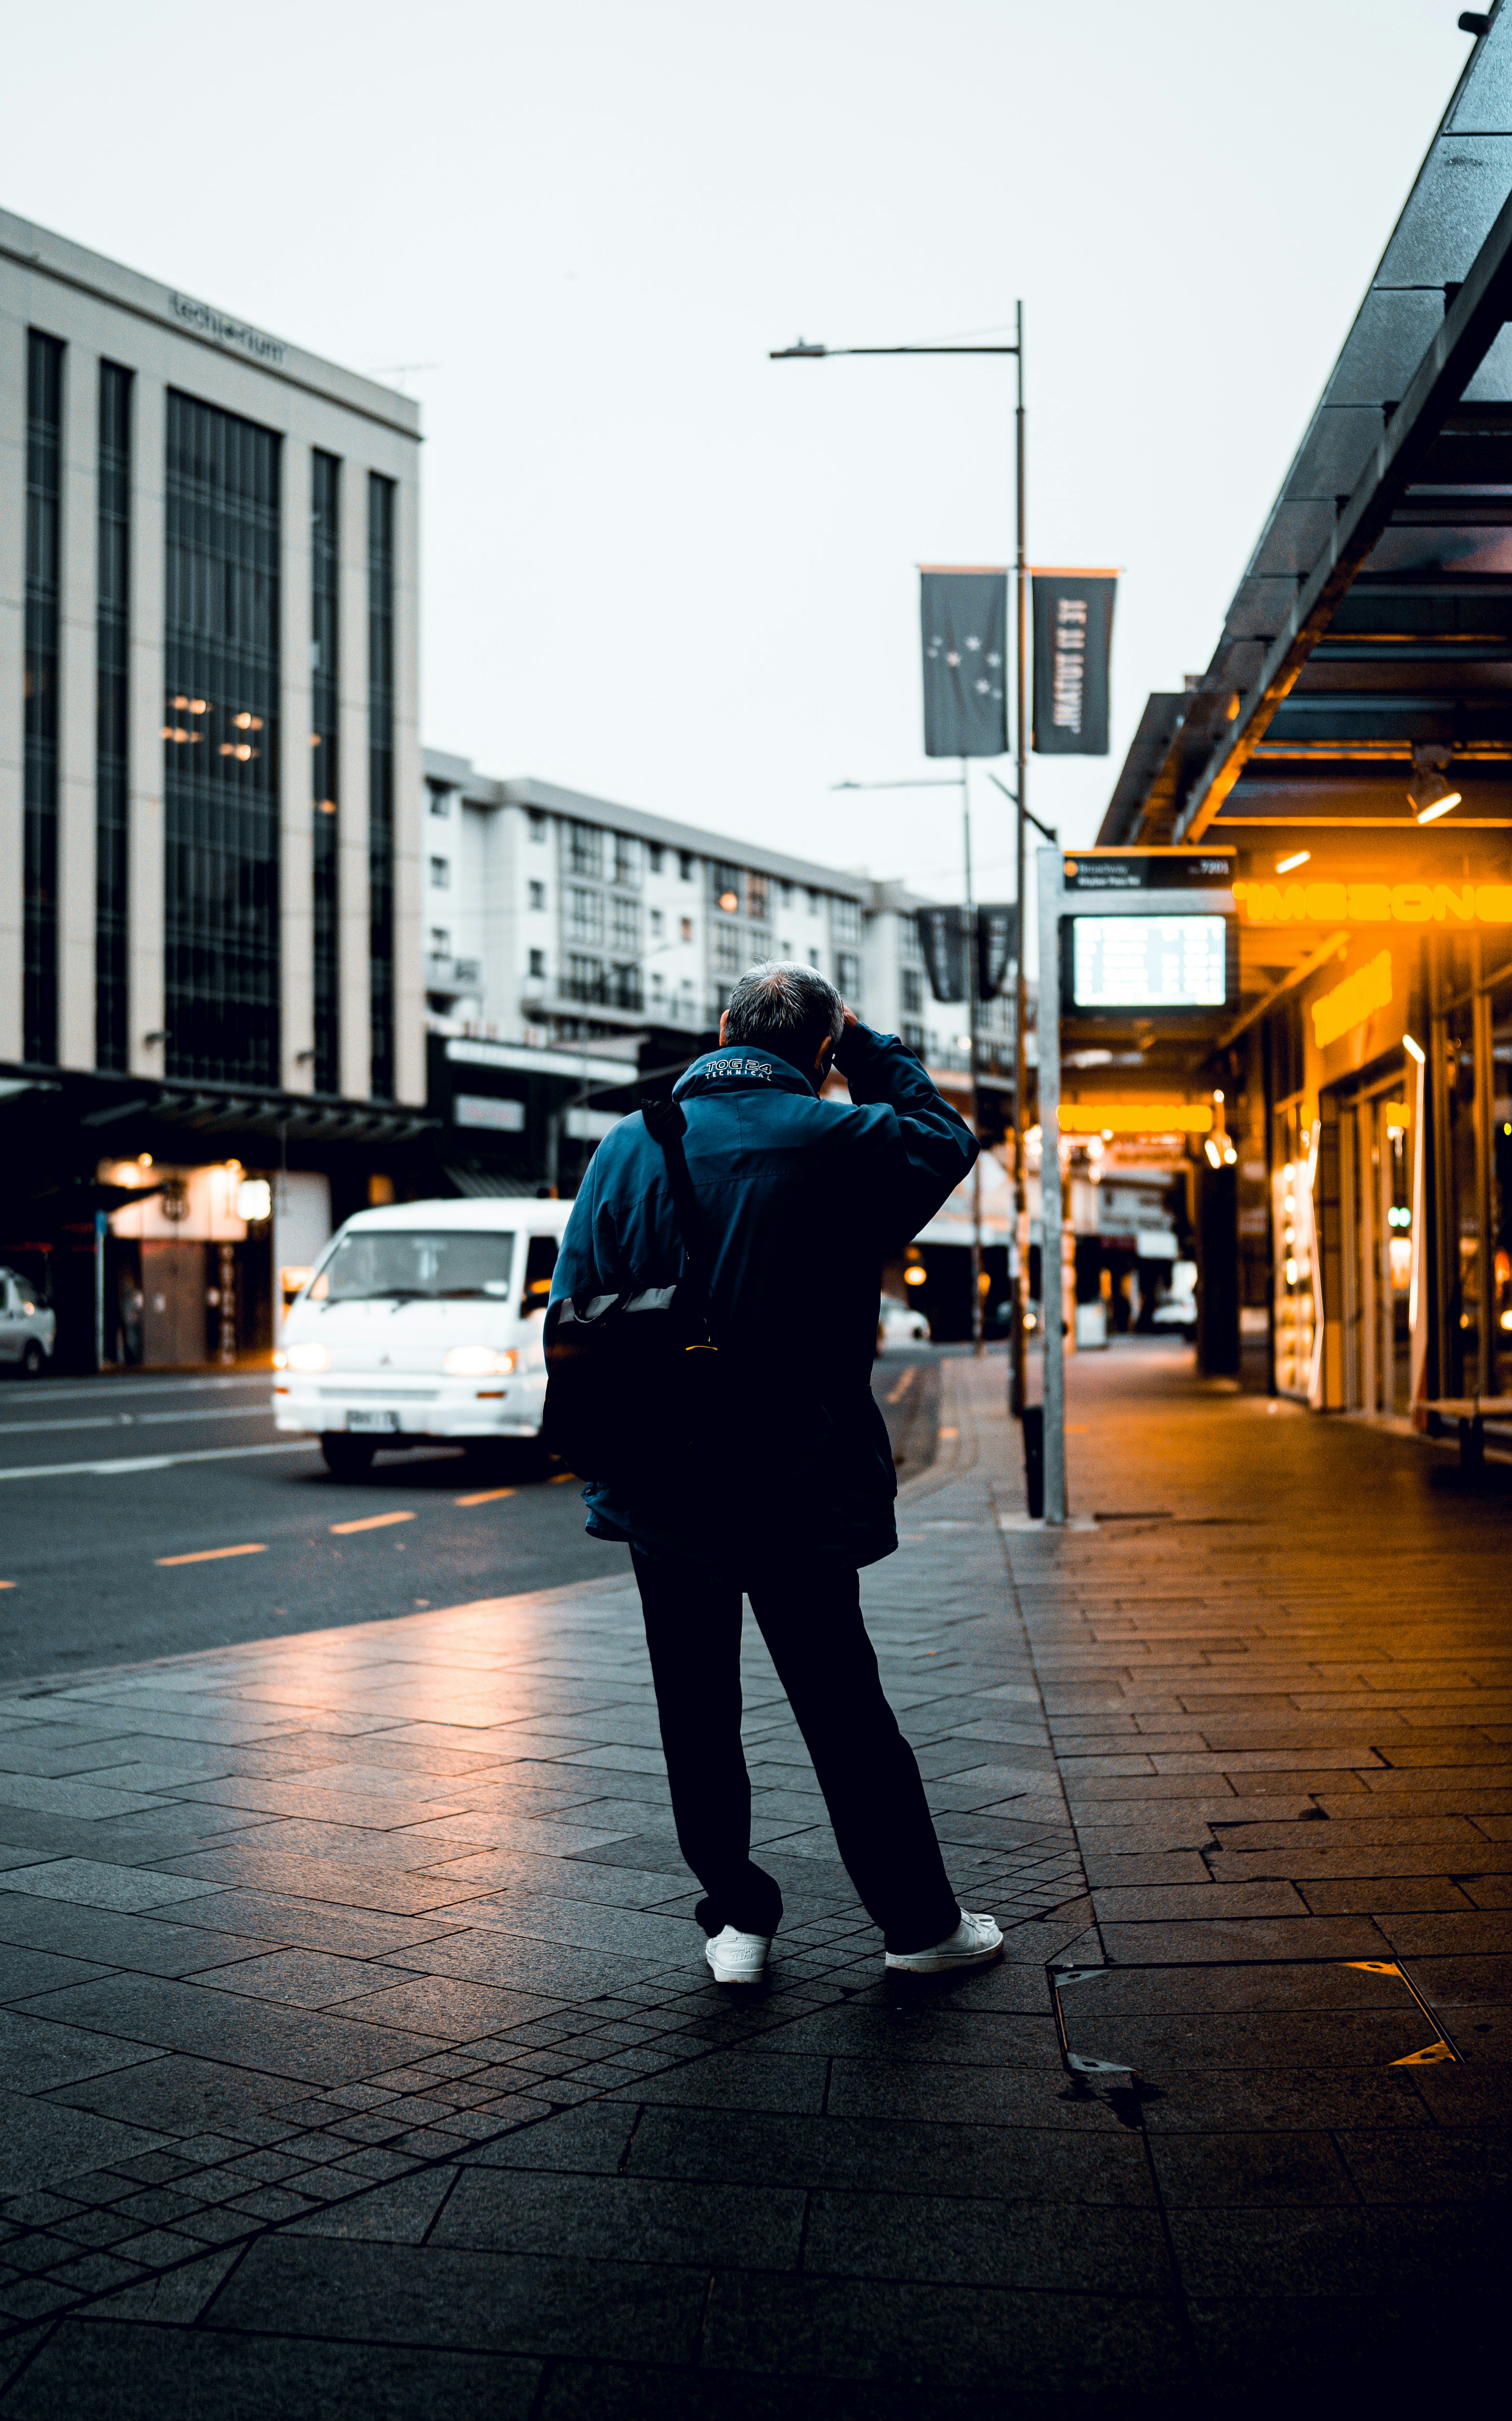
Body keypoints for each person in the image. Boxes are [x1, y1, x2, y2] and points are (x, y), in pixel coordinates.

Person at [548, 962, 1003, 1984]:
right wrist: (867, 1049)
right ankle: (918, 1925)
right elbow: (944, 1137)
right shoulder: (840, 1139)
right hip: (798, 1476)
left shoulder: (630, 1142)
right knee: (843, 1706)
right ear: (820, 1047)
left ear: (719, 1030)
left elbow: (576, 1308)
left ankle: (738, 1923)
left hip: (666, 1484)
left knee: (695, 1708)